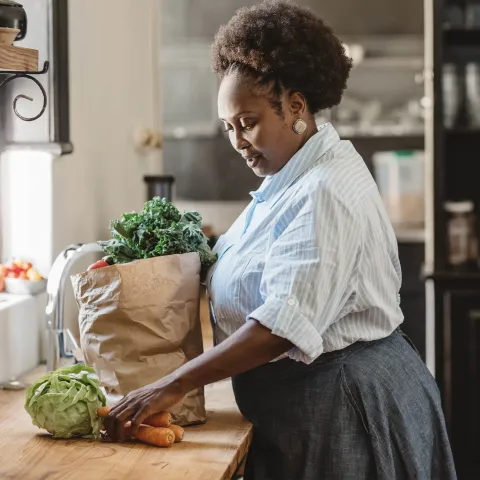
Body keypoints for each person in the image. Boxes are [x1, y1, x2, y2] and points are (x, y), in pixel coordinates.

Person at [105, 1, 456, 478]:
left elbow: (280, 327)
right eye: (229, 127)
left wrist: (172, 384)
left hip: (345, 409)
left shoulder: (325, 191)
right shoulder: (288, 175)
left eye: (247, 122)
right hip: (306, 408)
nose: (238, 141)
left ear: (295, 106)